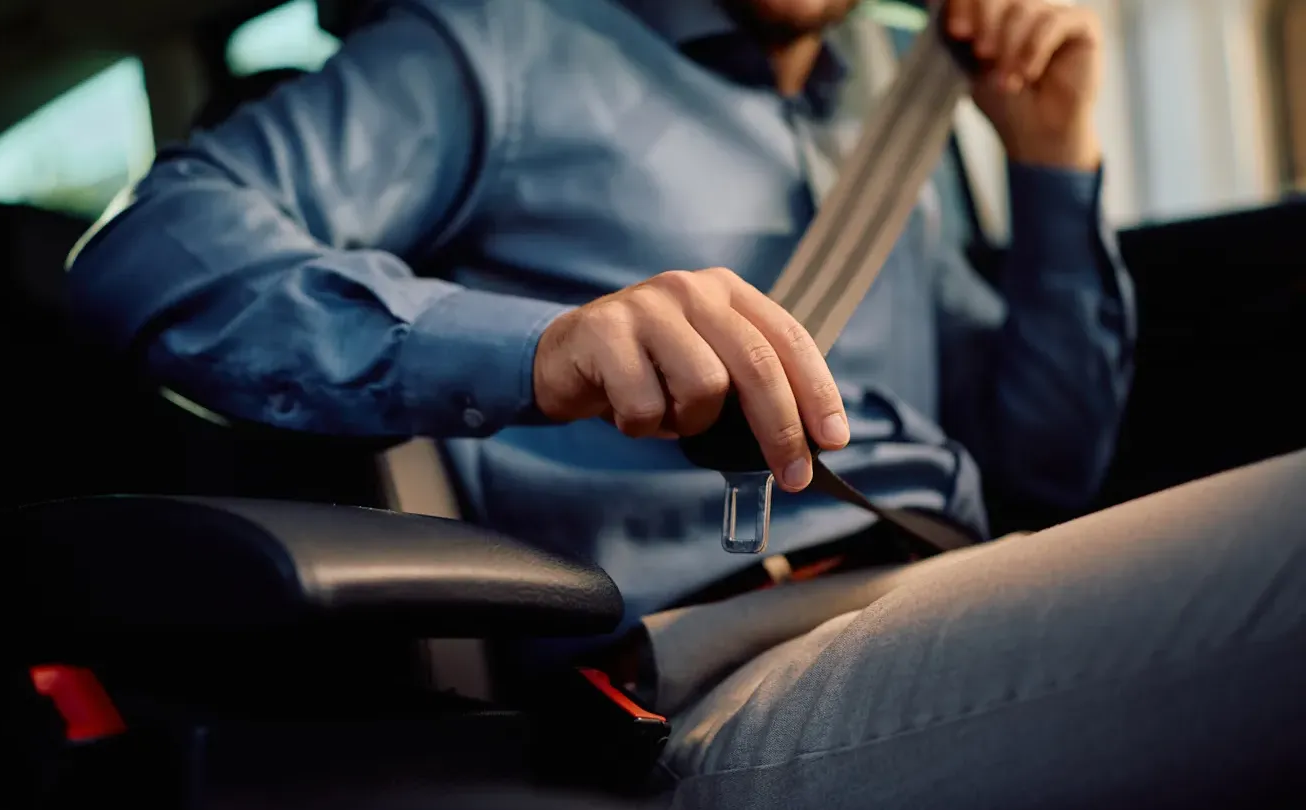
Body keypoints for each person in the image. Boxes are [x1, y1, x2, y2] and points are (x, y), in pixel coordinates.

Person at [68, 0, 1306, 807]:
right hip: (720, 677)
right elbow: (152, 250)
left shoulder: (896, 92)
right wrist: (540, 347)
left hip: (961, 579)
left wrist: (1052, 157)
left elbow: (1045, 465)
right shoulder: (499, 45)